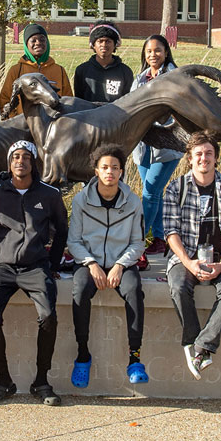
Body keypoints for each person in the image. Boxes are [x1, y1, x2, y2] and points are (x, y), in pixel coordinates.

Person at [0, 141, 69, 406]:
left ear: (34, 163)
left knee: (48, 316)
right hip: (3, 266)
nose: (21, 161)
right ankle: (2, 380)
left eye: (26, 157)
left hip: (36, 266)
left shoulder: (49, 194)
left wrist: (52, 264)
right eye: (16, 157)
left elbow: (62, 229)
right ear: (9, 163)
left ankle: (41, 381)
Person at [162, 132, 221, 380]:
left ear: (216, 158)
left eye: (209, 153)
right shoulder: (176, 188)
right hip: (187, 255)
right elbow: (171, 231)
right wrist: (188, 262)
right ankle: (194, 343)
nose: (203, 158)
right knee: (177, 285)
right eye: (198, 154)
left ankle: (202, 346)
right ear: (189, 158)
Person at [67, 144, 148, 387]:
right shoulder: (81, 200)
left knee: (134, 291)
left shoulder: (133, 201)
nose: (109, 172)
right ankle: (83, 355)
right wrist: (91, 264)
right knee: (79, 291)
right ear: (96, 171)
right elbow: (74, 241)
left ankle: (135, 359)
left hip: (121, 264)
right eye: (104, 167)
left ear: (122, 172)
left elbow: (138, 243)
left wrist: (120, 266)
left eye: (114, 167)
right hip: (88, 263)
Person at [131, 33, 181, 258]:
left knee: (150, 193)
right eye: (149, 51)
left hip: (167, 144)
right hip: (143, 145)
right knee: (155, 193)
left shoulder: (173, 76)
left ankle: (137, 241)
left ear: (166, 52)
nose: (153, 54)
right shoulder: (140, 77)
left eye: (158, 50)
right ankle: (160, 238)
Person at [0, 23, 73, 117]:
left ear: (47, 42)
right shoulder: (16, 70)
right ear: (26, 44)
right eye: (33, 40)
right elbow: (5, 100)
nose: (38, 43)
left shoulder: (59, 70)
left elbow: (68, 100)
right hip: (24, 126)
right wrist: (16, 122)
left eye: (42, 39)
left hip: (54, 127)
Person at [73, 21, 133, 103]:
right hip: (88, 114)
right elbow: (78, 100)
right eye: (100, 41)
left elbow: (128, 100)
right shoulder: (82, 70)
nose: (104, 45)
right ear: (93, 44)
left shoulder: (125, 71)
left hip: (115, 115)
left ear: (115, 44)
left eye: (108, 41)